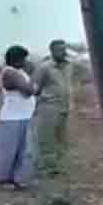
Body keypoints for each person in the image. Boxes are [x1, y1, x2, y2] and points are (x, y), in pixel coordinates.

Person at [0, 45, 36, 189]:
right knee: (9, 151)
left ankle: (17, 179)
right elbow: (28, 91)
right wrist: (34, 81)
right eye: (24, 58)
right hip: (12, 118)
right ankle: (3, 180)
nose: (26, 61)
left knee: (22, 150)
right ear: (17, 59)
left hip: (23, 116)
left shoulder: (20, 72)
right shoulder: (10, 72)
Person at [32, 39, 74, 177]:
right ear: (52, 51)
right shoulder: (44, 67)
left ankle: (57, 167)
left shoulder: (69, 65)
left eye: (64, 49)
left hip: (65, 106)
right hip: (49, 107)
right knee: (46, 139)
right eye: (60, 49)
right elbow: (35, 88)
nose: (63, 52)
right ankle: (45, 169)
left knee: (61, 139)